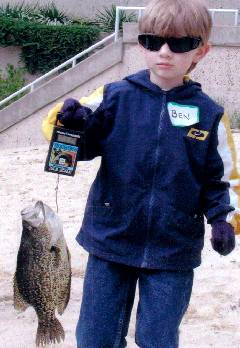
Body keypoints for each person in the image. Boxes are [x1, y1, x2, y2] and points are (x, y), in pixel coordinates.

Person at [42, 0, 240, 346]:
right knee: (95, 337)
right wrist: (69, 123)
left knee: (158, 338)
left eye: (179, 44)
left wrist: (224, 219)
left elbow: (222, 179)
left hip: (173, 249)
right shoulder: (112, 97)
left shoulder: (210, 115)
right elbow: (73, 142)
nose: (164, 52)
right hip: (110, 239)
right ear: (141, 44)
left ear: (201, 51)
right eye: (152, 41)